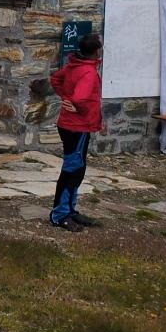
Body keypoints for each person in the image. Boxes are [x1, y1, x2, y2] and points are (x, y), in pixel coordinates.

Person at [48, 33, 104, 231]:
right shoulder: (88, 72)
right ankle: (59, 214)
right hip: (77, 126)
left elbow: (56, 79)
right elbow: (80, 98)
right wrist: (75, 104)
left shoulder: (74, 65)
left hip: (71, 125)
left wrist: (66, 97)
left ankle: (70, 209)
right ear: (97, 50)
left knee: (77, 169)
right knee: (72, 170)